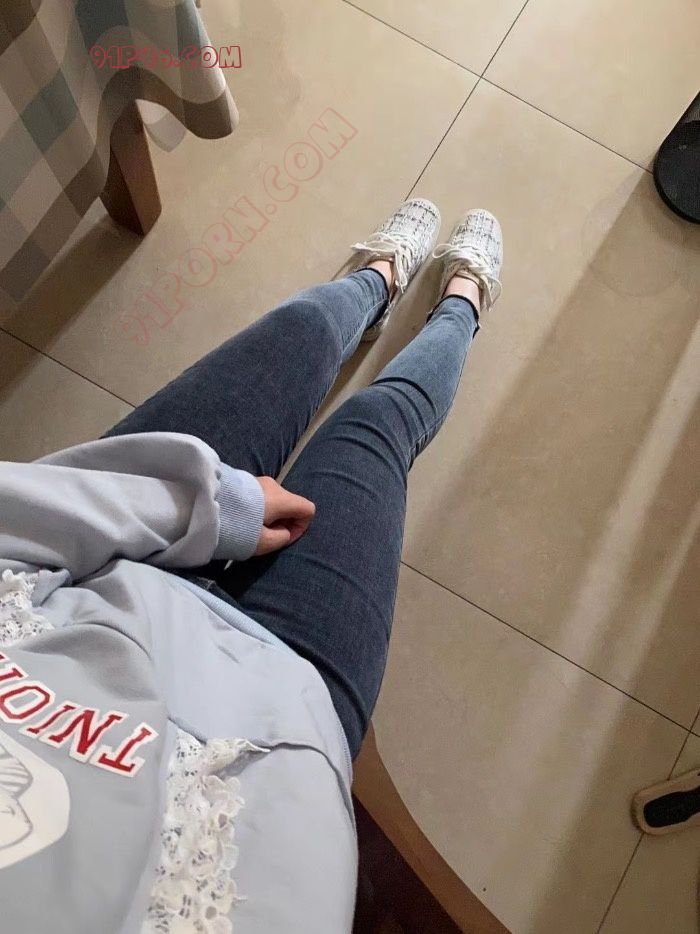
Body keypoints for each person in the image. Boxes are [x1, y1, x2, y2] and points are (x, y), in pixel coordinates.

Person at [0, 200, 503, 933]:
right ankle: (463, 305)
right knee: (377, 426)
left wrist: (203, 504)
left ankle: (377, 280)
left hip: (103, 556)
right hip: (288, 687)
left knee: (298, 333)